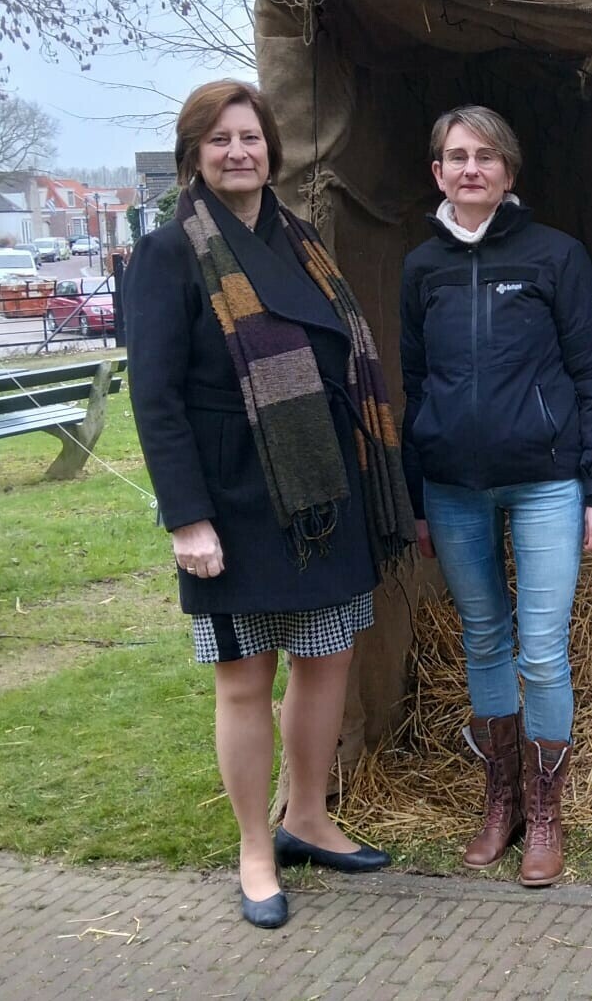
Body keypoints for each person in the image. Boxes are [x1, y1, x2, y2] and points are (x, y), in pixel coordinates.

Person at [126, 79, 415, 929]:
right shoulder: (170, 252)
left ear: (272, 150)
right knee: (245, 679)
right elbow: (155, 397)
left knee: (326, 663)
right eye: (219, 140)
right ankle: (256, 845)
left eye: (249, 136)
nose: (238, 151)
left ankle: (309, 815)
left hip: (324, 491)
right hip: (233, 499)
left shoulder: (300, 241)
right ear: (194, 155)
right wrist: (187, 517)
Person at [400, 105, 592, 888]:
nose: (470, 169)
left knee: (540, 646)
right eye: (456, 156)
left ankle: (546, 807)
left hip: (545, 483)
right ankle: (499, 800)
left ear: (509, 171)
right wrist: (416, 498)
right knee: (484, 639)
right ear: (437, 173)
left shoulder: (554, 257)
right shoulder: (420, 267)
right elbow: (413, 383)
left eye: (486, 156)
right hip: (452, 487)